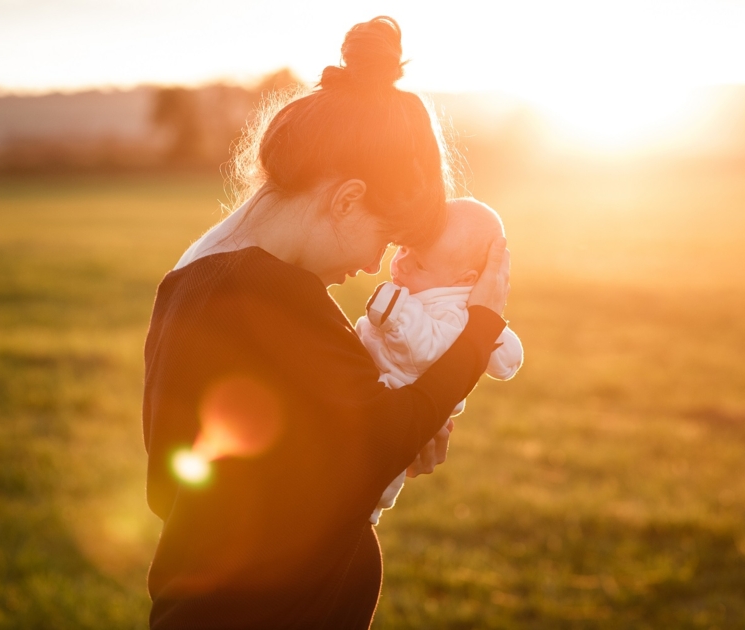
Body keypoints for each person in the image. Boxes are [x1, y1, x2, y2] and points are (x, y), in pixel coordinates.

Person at [142, 16, 511, 629]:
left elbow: (172, 488)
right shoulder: (271, 292)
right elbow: (379, 440)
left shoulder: (193, 280)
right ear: (344, 199)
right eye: (384, 238)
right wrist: (479, 330)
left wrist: (356, 443)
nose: (375, 265)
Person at [355, 198, 524, 524]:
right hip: (381, 401)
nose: (401, 264)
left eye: (418, 264)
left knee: (362, 493)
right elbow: (502, 355)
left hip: (397, 410)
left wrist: (396, 312)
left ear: (464, 279)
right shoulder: (451, 301)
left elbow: (426, 350)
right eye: (403, 249)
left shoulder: (451, 313)